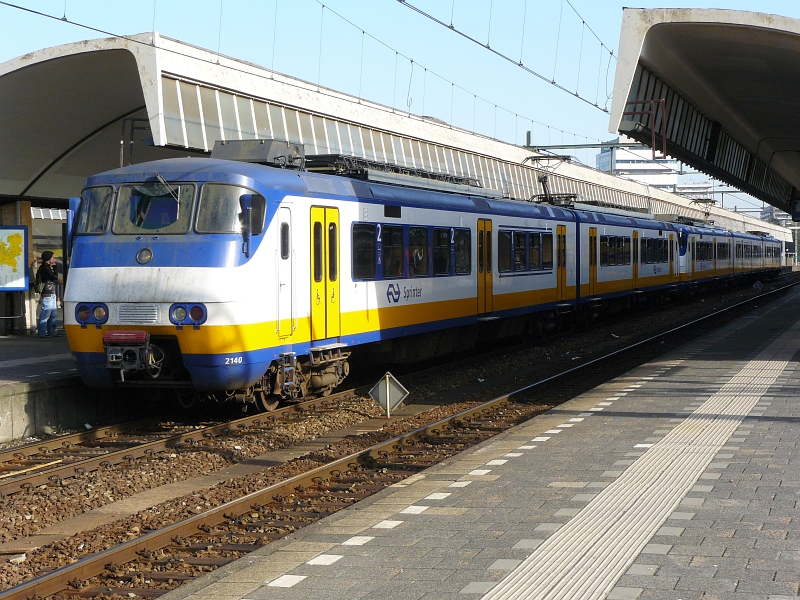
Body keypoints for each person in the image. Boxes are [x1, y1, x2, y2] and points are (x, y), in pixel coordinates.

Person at [37, 251, 59, 337]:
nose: (54, 259)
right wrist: (55, 267)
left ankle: (51, 331)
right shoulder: (45, 268)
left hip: (51, 292)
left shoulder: (47, 267)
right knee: (46, 312)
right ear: (48, 258)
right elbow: (55, 277)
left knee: (53, 313)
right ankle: (42, 332)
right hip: (47, 292)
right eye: (52, 257)